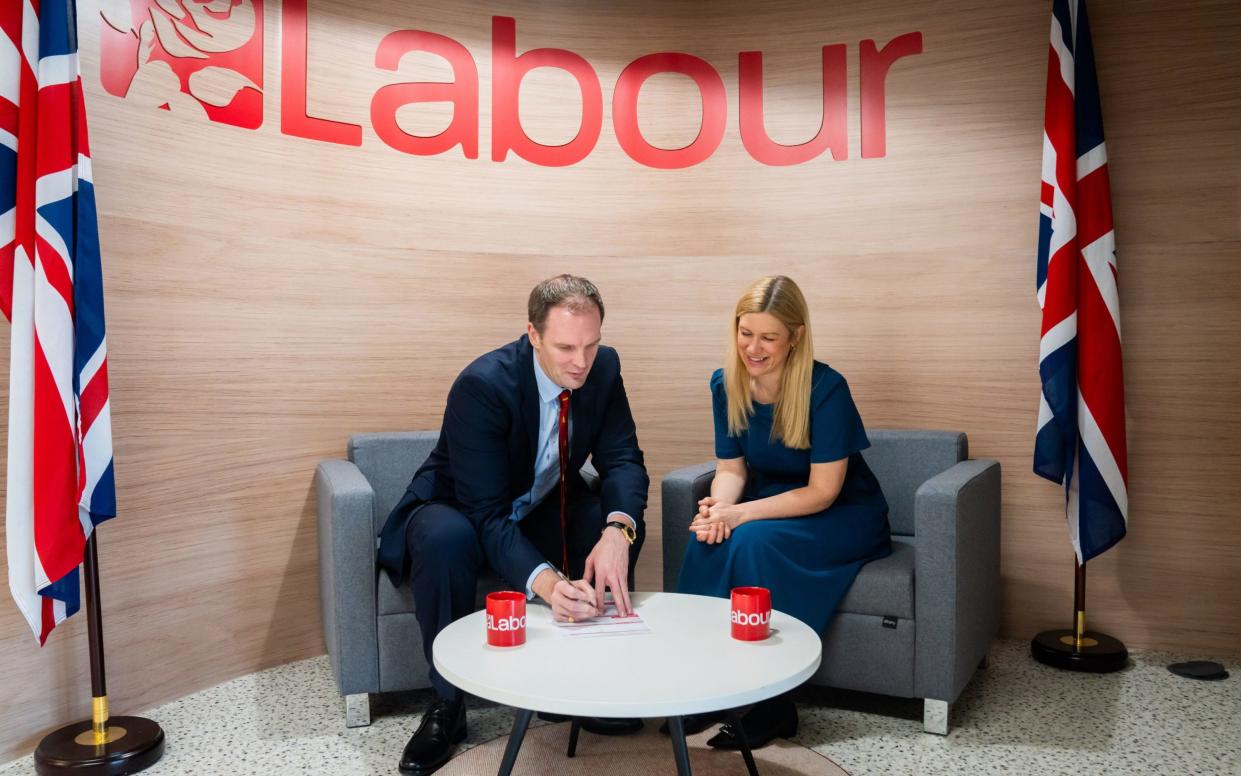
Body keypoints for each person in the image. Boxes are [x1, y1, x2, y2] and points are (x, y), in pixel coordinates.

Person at [377, 274, 649, 775]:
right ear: (533, 335)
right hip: (458, 507)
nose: (581, 362)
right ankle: (447, 705)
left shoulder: (604, 369)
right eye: (566, 347)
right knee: (446, 537)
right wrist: (548, 583)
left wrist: (618, 531)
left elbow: (623, 460)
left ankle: (582, 683)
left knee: (609, 518)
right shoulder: (482, 385)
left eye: (591, 344)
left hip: (539, 504)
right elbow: (485, 512)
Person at [675, 275, 892, 749]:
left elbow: (822, 492)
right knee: (707, 537)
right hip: (769, 502)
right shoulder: (724, 382)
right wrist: (722, 507)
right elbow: (730, 468)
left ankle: (776, 703)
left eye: (768, 337)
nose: (753, 347)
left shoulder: (826, 388)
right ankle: (704, 684)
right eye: (745, 332)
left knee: (752, 539)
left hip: (841, 513)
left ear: (795, 336)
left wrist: (743, 515)